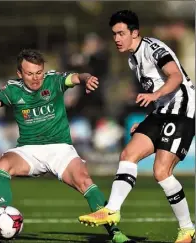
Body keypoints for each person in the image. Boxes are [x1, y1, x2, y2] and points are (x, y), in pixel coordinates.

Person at [0, 49, 132, 243]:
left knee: (85, 180)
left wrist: (87, 79)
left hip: (60, 149)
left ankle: (116, 234)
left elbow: (77, 77)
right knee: (1, 165)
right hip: (29, 150)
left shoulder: (54, 80)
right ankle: (4, 213)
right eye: (30, 74)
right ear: (20, 74)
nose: (36, 78)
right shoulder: (12, 90)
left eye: (39, 73)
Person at [78, 10, 195, 243]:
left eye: (121, 33)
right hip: (161, 112)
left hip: (181, 111)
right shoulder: (133, 59)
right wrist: (147, 118)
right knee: (128, 154)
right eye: (114, 34)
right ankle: (112, 210)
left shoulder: (153, 48)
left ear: (135, 33)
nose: (117, 38)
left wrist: (155, 96)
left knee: (161, 172)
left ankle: (187, 230)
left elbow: (175, 77)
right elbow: (159, 93)